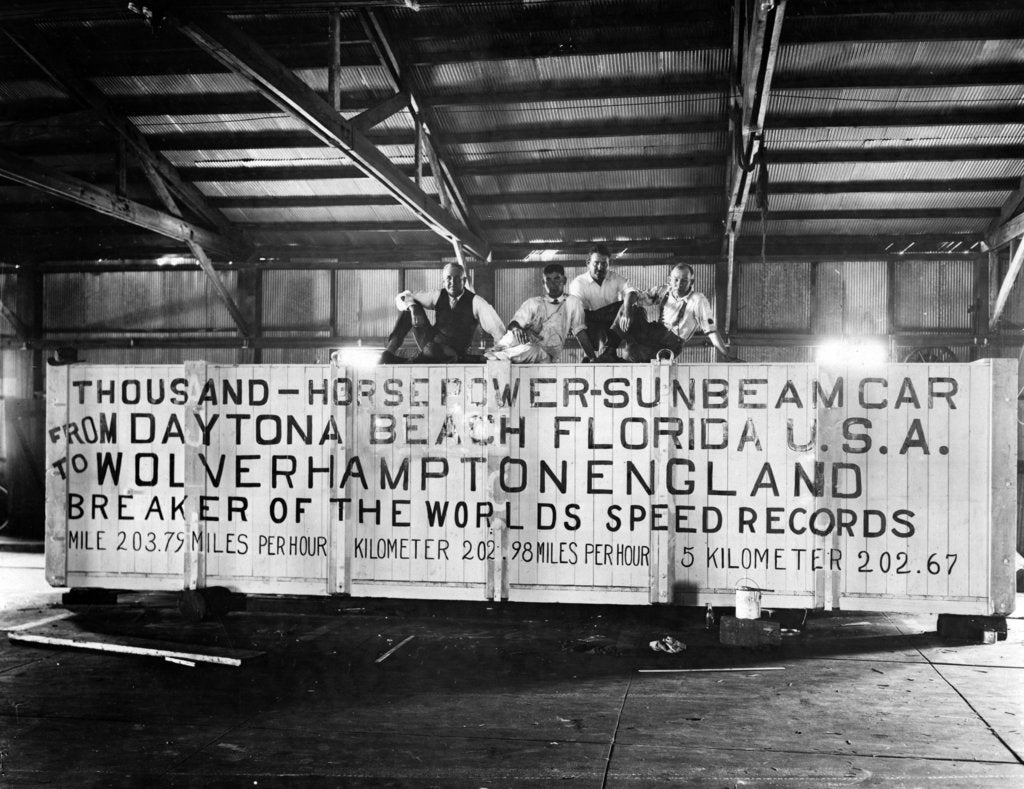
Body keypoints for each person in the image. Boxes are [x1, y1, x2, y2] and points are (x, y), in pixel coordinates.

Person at [379, 262, 505, 363]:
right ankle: (388, 353)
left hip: (453, 353)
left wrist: (495, 356)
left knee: (433, 351)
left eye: (457, 279)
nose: (452, 283)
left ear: (464, 281)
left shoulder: (476, 302)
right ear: (443, 281)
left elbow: (498, 330)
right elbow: (403, 297)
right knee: (411, 306)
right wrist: (413, 307)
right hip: (430, 343)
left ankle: (411, 361)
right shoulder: (438, 295)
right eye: (448, 279)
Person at [485, 263, 598, 363]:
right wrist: (519, 330)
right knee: (511, 337)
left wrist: (593, 358)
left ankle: (494, 357)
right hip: (518, 346)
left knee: (535, 350)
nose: (552, 284)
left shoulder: (572, 302)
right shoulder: (533, 303)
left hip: (543, 354)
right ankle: (494, 354)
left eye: (557, 279)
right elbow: (513, 325)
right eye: (548, 280)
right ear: (543, 283)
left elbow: (580, 331)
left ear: (564, 280)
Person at [620, 262, 730, 362]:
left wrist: (726, 355)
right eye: (675, 279)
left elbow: (711, 331)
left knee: (631, 353)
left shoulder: (698, 300)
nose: (679, 284)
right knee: (629, 307)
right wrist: (627, 311)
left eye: (684, 280)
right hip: (655, 332)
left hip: (671, 344)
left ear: (691, 282)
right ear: (669, 279)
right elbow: (637, 297)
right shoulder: (664, 291)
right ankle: (608, 349)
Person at [566, 243, 639, 362]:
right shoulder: (578, 284)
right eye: (596, 263)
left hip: (612, 325)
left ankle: (630, 353)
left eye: (604, 264)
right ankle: (602, 356)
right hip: (592, 325)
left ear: (609, 264)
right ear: (588, 263)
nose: (600, 267)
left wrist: (627, 310)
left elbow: (631, 291)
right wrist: (591, 357)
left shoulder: (614, 277)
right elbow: (577, 320)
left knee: (636, 310)